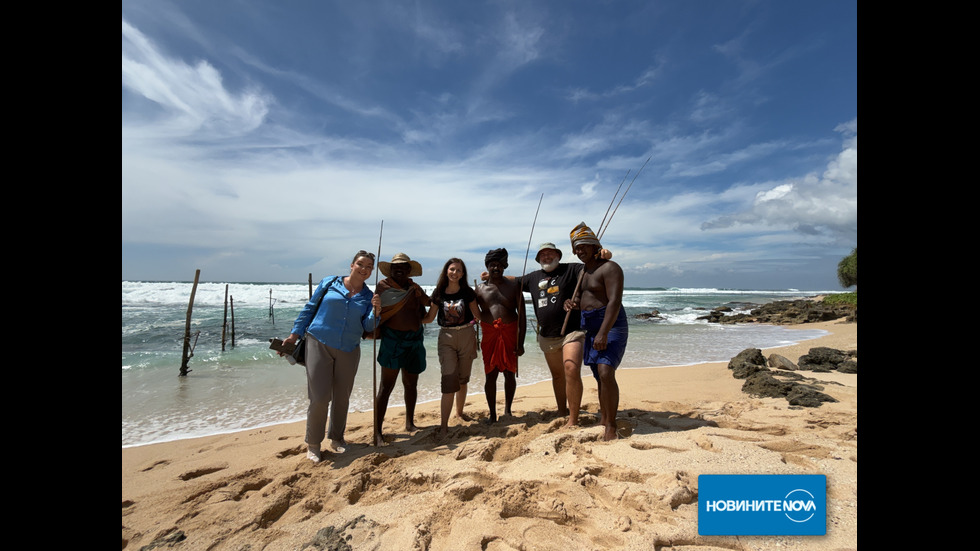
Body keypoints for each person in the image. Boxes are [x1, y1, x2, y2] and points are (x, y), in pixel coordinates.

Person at [279, 251, 381, 463]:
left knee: (342, 397)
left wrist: (376, 311)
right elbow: (309, 309)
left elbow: (368, 327)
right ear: (352, 265)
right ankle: (314, 444)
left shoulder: (368, 296)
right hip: (319, 342)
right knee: (320, 397)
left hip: (349, 348)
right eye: (361, 264)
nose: (364, 268)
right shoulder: (330, 282)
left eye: (369, 266)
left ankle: (337, 439)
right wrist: (293, 335)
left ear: (371, 271)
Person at [518, 242, 610, 429]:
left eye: (550, 253)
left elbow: (592, 266)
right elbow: (509, 281)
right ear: (538, 259)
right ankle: (561, 411)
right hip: (547, 335)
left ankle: (573, 420)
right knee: (558, 375)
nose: (547, 257)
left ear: (558, 256)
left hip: (572, 331)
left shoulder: (572, 269)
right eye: (543, 255)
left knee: (570, 369)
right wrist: (491, 275)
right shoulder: (532, 277)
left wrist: (602, 254)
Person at [566, 222, 628, 441]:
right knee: (597, 374)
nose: (579, 251)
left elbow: (614, 301)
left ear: (595, 245)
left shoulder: (610, 268)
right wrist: (572, 303)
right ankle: (604, 417)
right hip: (589, 324)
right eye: (576, 248)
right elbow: (582, 296)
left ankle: (611, 425)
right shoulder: (583, 271)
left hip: (610, 323)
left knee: (606, 371)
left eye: (583, 246)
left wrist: (603, 332)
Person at [422, 258, 486, 439]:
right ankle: (443, 425)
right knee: (449, 381)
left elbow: (478, 315)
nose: (454, 273)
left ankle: (459, 413)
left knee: (463, 379)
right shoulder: (439, 292)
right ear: (446, 271)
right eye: (452, 269)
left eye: (458, 270)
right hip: (446, 338)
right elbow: (429, 318)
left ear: (463, 273)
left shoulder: (467, 292)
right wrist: (408, 320)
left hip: (466, 335)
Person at [373, 252, 432, 445]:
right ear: (390, 270)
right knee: (386, 386)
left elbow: (428, 303)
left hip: (414, 340)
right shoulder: (383, 287)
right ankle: (377, 431)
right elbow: (375, 310)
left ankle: (410, 422)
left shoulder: (414, 287)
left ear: (409, 270)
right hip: (392, 340)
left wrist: (421, 293)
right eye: (395, 267)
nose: (399, 269)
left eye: (403, 267)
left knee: (411, 384)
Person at [474, 248, 526, 424]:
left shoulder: (513, 286)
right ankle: (492, 414)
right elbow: (472, 314)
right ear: (487, 267)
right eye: (492, 265)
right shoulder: (479, 289)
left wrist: (521, 342)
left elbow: (523, 317)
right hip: (489, 335)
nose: (495, 268)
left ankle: (508, 410)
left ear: (504, 266)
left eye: (499, 265)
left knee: (510, 374)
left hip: (510, 333)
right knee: (491, 374)